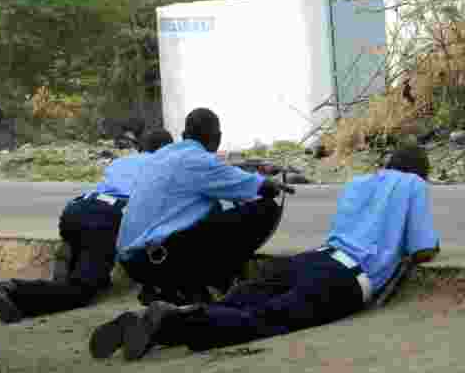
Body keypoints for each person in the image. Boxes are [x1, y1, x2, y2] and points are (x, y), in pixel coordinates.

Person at [91, 145, 441, 361]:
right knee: (266, 319)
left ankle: (162, 320)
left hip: (314, 257)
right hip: (345, 277)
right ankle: (172, 322)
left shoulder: (358, 184)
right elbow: (423, 248)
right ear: (419, 173)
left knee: (243, 298)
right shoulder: (413, 184)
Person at [0, 129, 175, 324]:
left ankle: (70, 260)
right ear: (167, 148)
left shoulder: (122, 162)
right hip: (106, 217)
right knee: (81, 291)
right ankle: (12, 290)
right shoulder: (164, 164)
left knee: (89, 271)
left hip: (78, 208)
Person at [115, 108, 295, 308]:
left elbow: (220, 173)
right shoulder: (198, 161)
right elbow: (260, 187)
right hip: (155, 260)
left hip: (133, 260)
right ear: (217, 138)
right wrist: (272, 182)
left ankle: (175, 285)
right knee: (263, 210)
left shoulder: (163, 156)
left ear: (183, 136)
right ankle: (210, 282)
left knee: (209, 207)